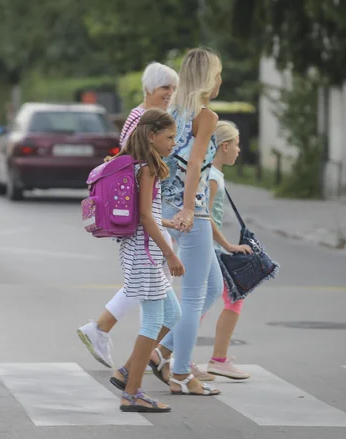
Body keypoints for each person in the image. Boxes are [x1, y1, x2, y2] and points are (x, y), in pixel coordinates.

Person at [77, 62, 179, 369]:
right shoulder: (143, 123)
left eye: (173, 89)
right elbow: (134, 183)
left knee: (156, 300)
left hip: (145, 227)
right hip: (142, 234)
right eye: (165, 88)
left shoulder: (146, 121)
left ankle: (128, 360)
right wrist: (162, 238)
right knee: (149, 299)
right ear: (149, 88)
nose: (169, 95)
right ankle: (129, 371)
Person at [148, 47, 224, 396]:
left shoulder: (171, 111)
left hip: (169, 206)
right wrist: (191, 208)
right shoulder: (205, 115)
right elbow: (194, 164)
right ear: (209, 78)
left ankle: (162, 352)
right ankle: (180, 373)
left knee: (213, 287)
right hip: (191, 213)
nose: (221, 80)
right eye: (218, 73)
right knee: (194, 296)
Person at [111, 108, 182, 413]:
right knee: (153, 320)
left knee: (173, 313)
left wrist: (166, 228)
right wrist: (170, 254)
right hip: (146, 253)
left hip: (139, 249)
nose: (173, 143)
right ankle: (133, 393)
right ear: (152, 136)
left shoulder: (137, 164)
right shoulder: (147, 168)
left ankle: (128, 372)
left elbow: (148, 215)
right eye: (170, 137)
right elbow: (145, 216)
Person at [203, 121, 252, 380]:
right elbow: (205, 216)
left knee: (228, 299)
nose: (239, 150)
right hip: (210, 250)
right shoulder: (212, 178)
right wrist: (228, 245)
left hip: (212, 250)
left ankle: (216, 359)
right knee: (204, 304)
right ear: (224, 146)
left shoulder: (215, 175)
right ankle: (214, 360)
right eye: (236, 144)